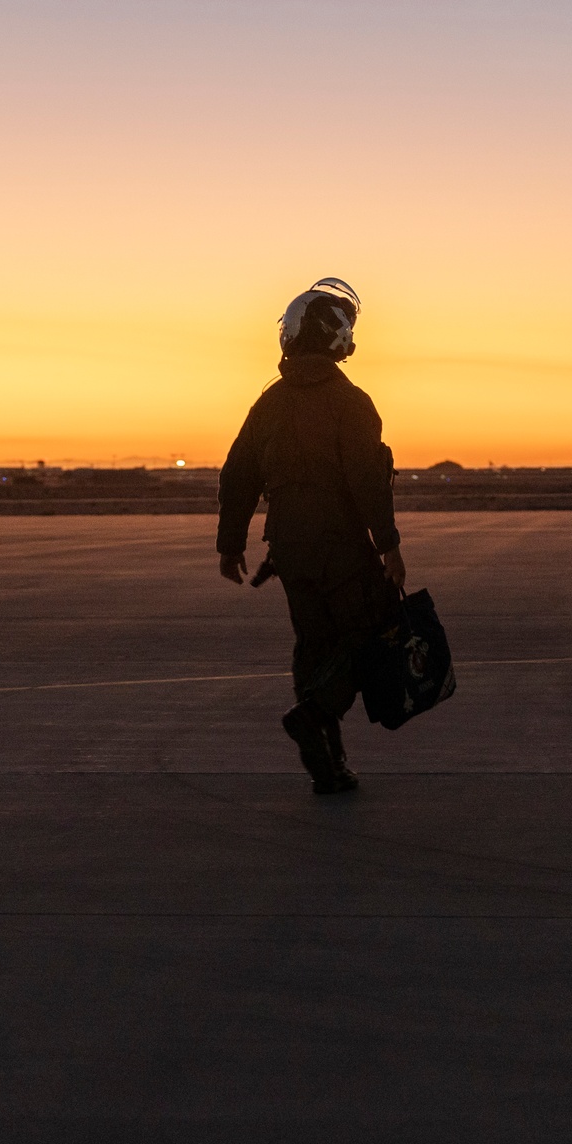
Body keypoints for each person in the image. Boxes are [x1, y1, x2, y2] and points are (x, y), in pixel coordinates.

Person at [216, 277, 405, 794]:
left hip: (288, 550)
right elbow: (367, 480)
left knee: (314, 648)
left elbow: (237, 477)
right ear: (334, 334)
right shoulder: (351, 402)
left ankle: (328, 762)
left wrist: (230, 544)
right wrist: (388, 545)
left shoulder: (269, 404)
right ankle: (314, 715)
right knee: (365, 640)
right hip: (340, 546)